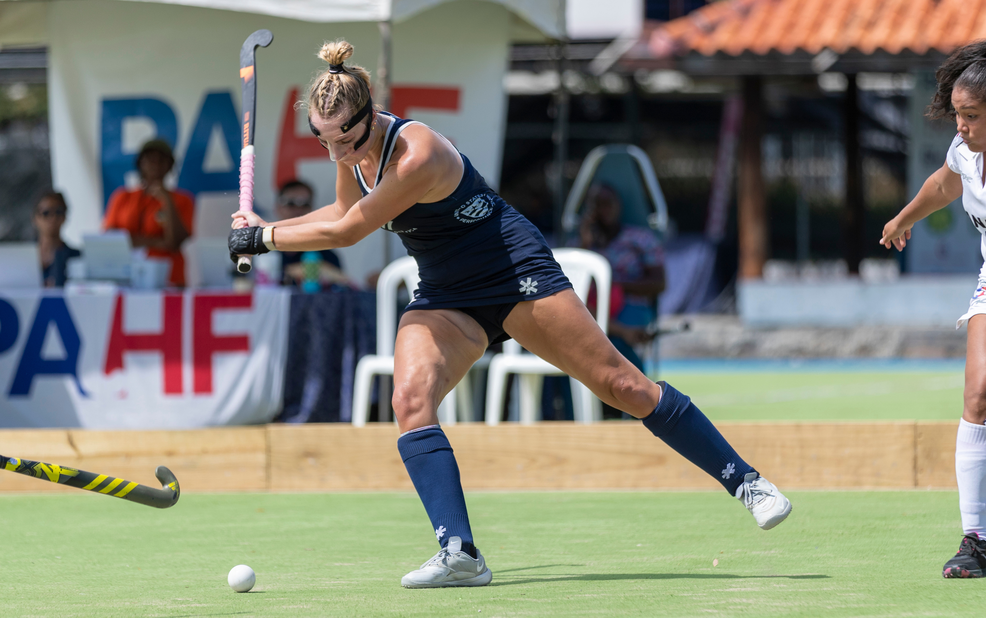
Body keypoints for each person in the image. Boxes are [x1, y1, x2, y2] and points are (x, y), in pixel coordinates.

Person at [229, 39, 792, 589]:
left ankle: (747, 482)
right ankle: (459, 552)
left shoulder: (417, 152)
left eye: (345, 140)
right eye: (323, 141)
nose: (336, 154)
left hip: (514, 271)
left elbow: (350, 231)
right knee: (409, 399)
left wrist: (263, 238)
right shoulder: (353, 154)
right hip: (447, 293)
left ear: (370, 114)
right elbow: (341, 208)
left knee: (623, 385)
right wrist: (262, 226)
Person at [881, 40, 986, 579]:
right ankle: (977, 541)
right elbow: (943, 184)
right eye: (958, 115)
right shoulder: (965, 151)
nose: (961, 127)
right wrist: (903, 219)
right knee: (978, 393)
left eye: (972, 116)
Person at [576, 183, 666, 375]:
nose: (604, 209)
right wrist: (585, 242)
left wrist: (615, 286)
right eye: (598, 204)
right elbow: (575, 284)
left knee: (613, 344)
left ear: (619, 206)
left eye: (609, 203)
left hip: (629, 304)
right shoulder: (580, 245)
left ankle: (638, 389)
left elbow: (659, 283)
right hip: (591, 306)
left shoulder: (640, 238)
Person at [103, 138, 193, 287]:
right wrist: (158, 242)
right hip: (126, 276)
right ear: (140, 163)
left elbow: (174, 243)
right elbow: (111, 239)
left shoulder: (182, 200)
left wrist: (167, 200)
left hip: (169, 278)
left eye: (161, 160)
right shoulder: (122, 197)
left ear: (170, 166)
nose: (155, 164)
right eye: (150, 159)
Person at [273, 179, 348, 287]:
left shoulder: (326, 255)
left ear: (312, 210)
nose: (298, 210)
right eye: (291, 203)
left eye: (305, 204)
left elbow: (345, 287)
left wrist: (325, 271)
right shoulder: (262, 251)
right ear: (278, 208)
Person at [33, 191, 80, 287]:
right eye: (46, 213)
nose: (53, 218)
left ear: (65, 216)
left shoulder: (76, 257)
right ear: (35, 218)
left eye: (58, 212)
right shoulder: (23, 258)